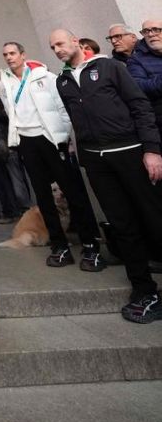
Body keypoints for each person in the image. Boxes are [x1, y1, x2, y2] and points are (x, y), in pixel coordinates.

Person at [50, 29, 162, 324]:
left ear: (76, 42)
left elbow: (140, 106)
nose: (57, 49)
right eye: (52, 47)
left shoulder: (110, 67)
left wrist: (152, 149)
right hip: (97, 162)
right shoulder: (63, 81)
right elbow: (74, 118)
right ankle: (144, 291)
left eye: (60, 43)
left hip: (130, 152)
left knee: (154, 218)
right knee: (122, 225)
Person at [0, 41, 103, 270]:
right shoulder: (4, 81)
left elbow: (62, 108)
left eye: (13, 53)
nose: (9, 57)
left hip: (50, 139)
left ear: (23, 54)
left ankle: (90, 245)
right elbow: (10, 111)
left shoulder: (44, 76)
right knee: (43, 197)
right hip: (26, 141)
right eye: (5, 54)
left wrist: (62, 136)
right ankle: (59, 245)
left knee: (72, 192)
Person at [127, 19, 162, 140]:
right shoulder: (136, 60)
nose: (151, 34)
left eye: (156, 30)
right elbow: (138, 87)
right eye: (146, 31)